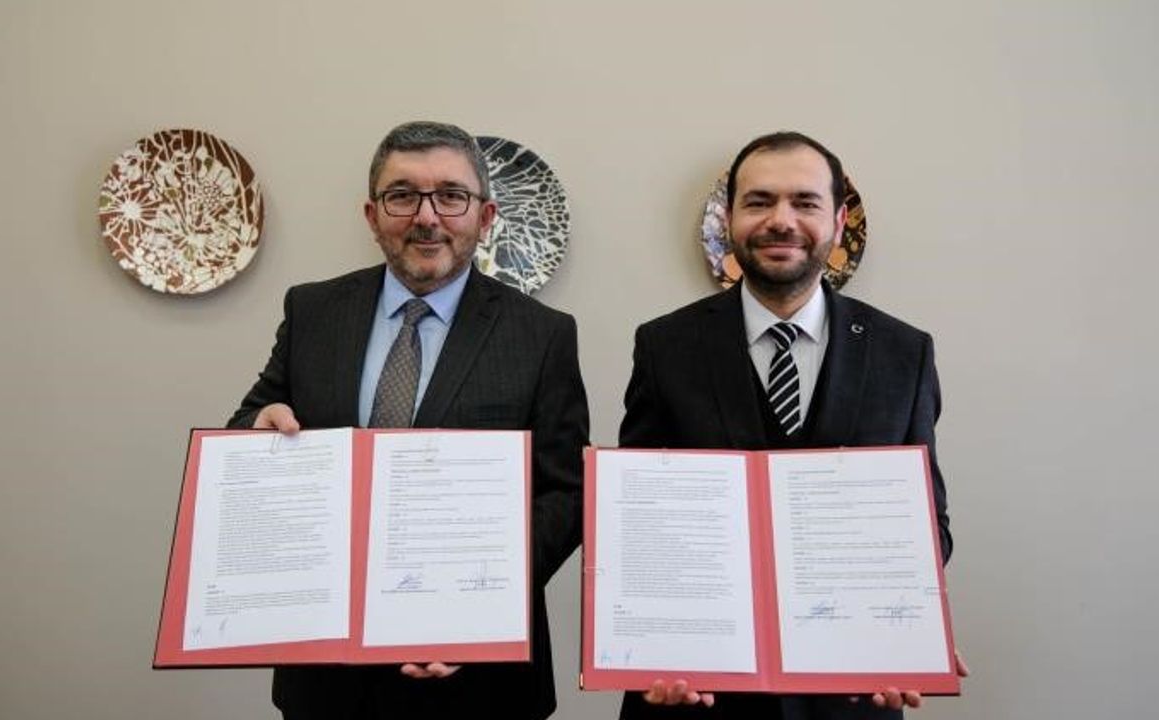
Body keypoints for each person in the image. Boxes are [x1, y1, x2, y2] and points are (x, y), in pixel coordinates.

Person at [228, 120, 589, 720]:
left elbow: (566, 492)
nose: (427, 216)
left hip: (483, 680)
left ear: (485, 216)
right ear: (372, 216)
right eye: (402, 195)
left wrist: (479, 603)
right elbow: (252, 418)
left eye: (451, 196)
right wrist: (254, 431)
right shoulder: (313, 310)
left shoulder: (543, 334)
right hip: (327, 676)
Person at [617, 131, 958, 719]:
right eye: (759, 201)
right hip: (697, 692)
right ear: (729, 217)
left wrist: (906, 629)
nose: (781, 220)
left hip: (851, 691)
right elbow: (639, 524)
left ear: (838, 221)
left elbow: (929, 525)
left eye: (804, 202)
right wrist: (652, 645)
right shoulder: (664, 346)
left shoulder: (904, 352)